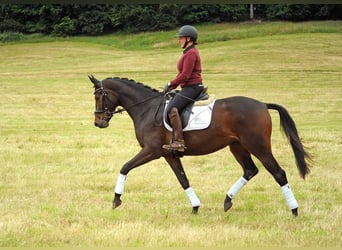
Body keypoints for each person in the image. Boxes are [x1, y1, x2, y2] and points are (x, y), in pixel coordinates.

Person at [162, 25, 204, 152]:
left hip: (192, 88)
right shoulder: (188, 53)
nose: (179, 40)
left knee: (172, 109)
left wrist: (170, 84)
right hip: (189, 87)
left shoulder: (191, 53)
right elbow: (182, 75)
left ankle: (179, 142)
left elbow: (185, 75)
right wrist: (172, 86)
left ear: (189, 39)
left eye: (181, 38)